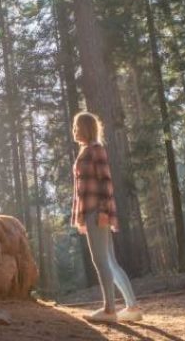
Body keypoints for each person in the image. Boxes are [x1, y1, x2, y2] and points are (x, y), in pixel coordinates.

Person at [71, 111, 142, 323]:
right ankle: (132, 307)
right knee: (109, 261)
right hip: (91, 212)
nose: (73, 131)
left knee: (100, 260)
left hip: (96, 211)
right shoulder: (87, 150)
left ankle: (109, 310)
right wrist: (82, 216)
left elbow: (106, 183)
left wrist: (102, 211)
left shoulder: (96, 150)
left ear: (84, 128)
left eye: (76, 127)